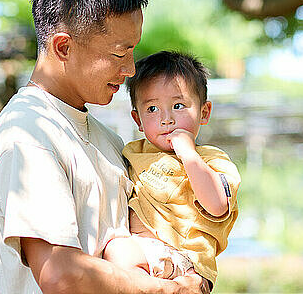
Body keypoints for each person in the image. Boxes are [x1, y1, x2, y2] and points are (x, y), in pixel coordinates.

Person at [0, 0, 209, 294]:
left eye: (133, 51)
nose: (131, 69)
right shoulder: (28, 133)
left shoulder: (110, 141)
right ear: (63, 47)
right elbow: (61, 274)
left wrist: (195, 275)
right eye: (120, 53)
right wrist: (167, 290)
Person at [103, 51, 241, 290]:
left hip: (186, 259)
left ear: (204, 112)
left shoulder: (212, 159)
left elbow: (218, 206)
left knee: (118, 253)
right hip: (145, 253)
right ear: (137, 119)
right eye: (152, 109)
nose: (166, 119)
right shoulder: (132, 152)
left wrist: (189, 155)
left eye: (178, 106)